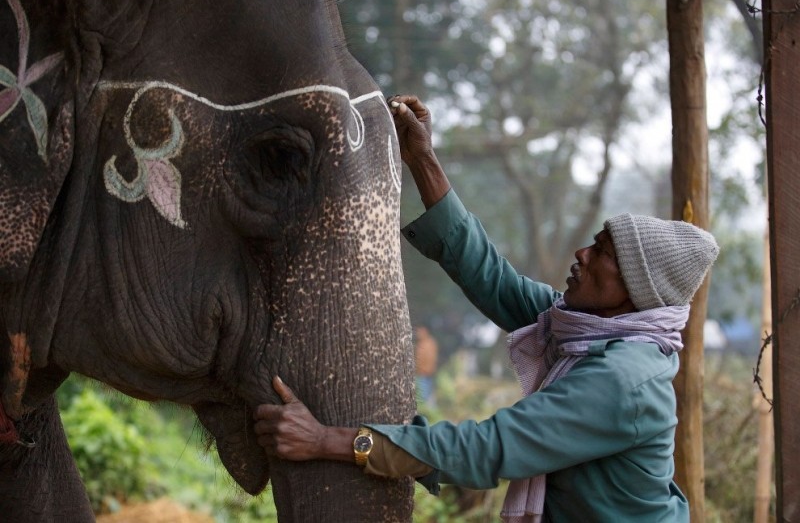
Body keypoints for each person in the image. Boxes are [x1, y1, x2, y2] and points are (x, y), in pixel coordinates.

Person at [253, 95, 719, 522]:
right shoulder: (582, 330)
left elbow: (487, 449)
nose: (582, 255)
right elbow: (493, 278)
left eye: (602, 254)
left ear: (635, 293)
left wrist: (323, 440)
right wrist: (422, 159)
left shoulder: (622, 380)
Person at [414, 325, 439, 406]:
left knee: (424, 396)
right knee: (424, 395)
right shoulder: (420, 344)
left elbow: (431, 358)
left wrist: (427, 369)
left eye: (420, 331)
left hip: (425, 373)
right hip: (421, 373)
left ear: (425, 331)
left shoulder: (429, 344)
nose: (418, 334)